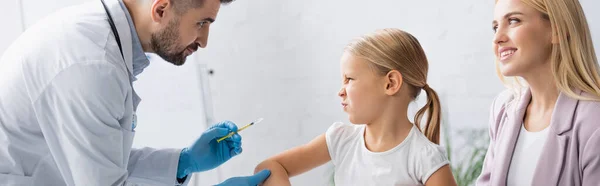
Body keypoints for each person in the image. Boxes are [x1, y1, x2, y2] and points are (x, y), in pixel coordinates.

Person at [0, 0, 270, 185]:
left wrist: (184, 161)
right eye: (202, 23)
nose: (204, 40)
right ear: (161, 9)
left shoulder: (102, 43)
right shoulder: (91, 64)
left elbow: (103, 159)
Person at [253, 28, 457, 186]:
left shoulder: (424, 158)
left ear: (390, 83)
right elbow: (269, 167)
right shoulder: (341, 140)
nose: (340, 91)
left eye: (349, 79)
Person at [477, 0, 600, 185]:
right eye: (495, 27)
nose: (497, 38)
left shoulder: (594, 121)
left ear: (557, 30)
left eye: (513, 21)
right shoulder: (502, 109)